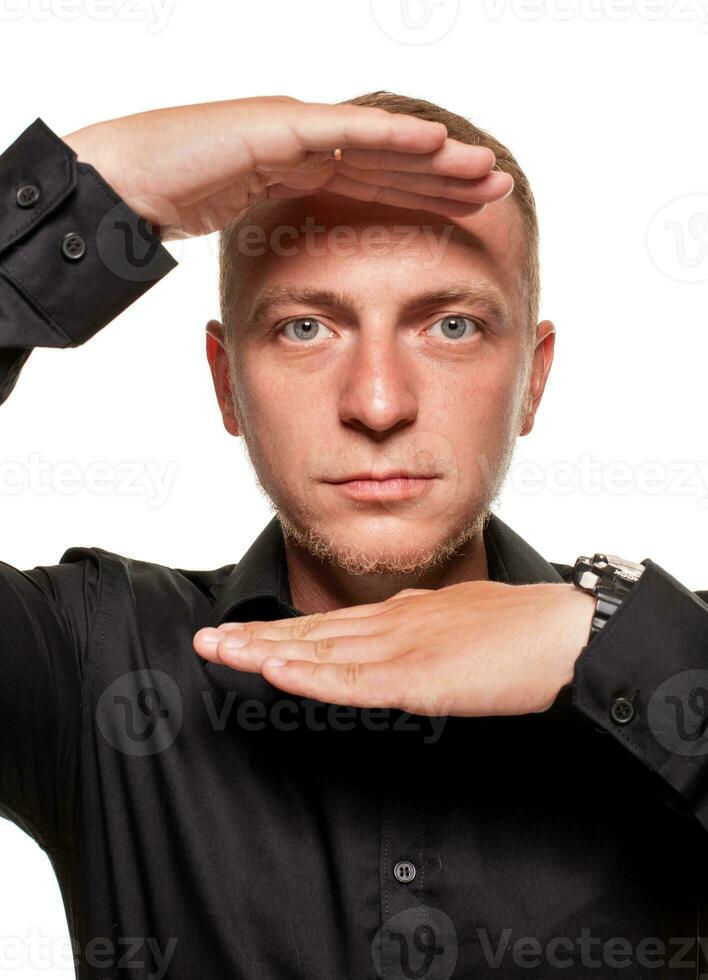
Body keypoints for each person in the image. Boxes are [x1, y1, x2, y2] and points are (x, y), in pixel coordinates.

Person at [0, 93, 706, 980]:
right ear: (226, 383)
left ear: (532, 379)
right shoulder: (90, 662)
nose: (378, 403)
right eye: (306, 328)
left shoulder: (688, 662)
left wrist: (602, 638)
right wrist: (97, 186)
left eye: (451, 325)